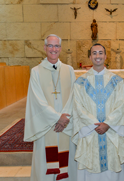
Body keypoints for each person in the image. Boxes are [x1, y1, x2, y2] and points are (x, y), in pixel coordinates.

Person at [24, 34, 77, 181]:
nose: (54, 49)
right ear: (45, 48)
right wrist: (57, 118)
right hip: (46, 126)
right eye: (50, 46)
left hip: (66, 125)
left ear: (61, 49)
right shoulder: (36, 72)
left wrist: (65, 118)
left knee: (67, 160)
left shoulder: (69, 70)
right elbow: (37, 100)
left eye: (57, 46)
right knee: (44, 165)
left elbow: (74, 97)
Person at [72, 43, 124, 181]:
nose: (98, 56)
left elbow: (121, 105)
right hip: (90, 132)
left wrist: (108, 124)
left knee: (111, 169)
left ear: (105, 56)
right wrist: (95, 125)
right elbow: (78, 106)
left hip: (110, 132)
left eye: (100, 53)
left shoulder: (117, 81)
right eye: (94, 53)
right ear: (90, 57)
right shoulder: (80, 82)